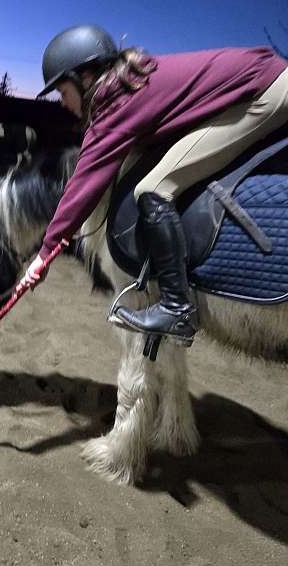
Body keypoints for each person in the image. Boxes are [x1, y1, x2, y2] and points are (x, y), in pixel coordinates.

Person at [17, 24, 288, 344]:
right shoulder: (132, 81)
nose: (62, 102)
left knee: (155, 188)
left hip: (265, 93)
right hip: (268, 79)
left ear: (85, 77)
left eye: (63, 92)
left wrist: (44, 254)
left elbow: (84, 184)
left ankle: (177, 306)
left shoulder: (113, 102)